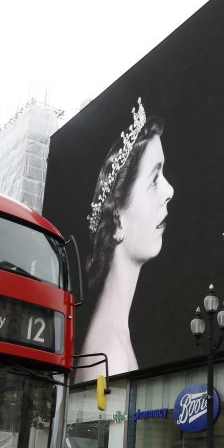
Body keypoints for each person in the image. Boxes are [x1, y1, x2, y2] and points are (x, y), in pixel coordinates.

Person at [79, 98, 174, 381]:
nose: (169, 190)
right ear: (117, 221)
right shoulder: (111, 356)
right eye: (154, 179)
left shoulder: (113, 337)